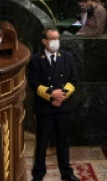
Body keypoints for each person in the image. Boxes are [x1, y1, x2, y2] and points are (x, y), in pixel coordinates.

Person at [28, 28, 80, 181]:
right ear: (44, 41)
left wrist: (61, 96)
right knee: (42, 143)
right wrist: (52, 95)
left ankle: (66, 173)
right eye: (52, 39)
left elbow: (73, 80)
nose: (56, 42)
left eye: (57, 38)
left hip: (63, 107)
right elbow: (34, 84)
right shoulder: (36, 59)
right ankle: (38, 175)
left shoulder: (67, 57)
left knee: (63, 142)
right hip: (44, 109)